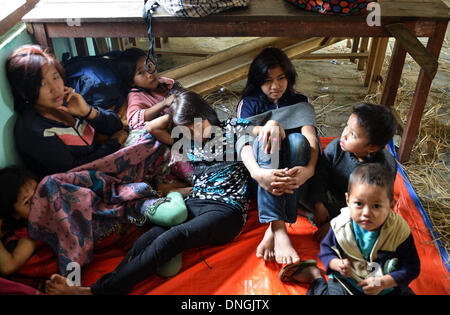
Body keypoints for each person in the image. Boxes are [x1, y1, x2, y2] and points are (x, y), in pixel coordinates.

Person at [44, 90, 283, 295]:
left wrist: (272, 125)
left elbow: (271, 131)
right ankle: (100, 288)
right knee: (147, 238)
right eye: (186, 129)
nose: (195, 133)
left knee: (174, 238)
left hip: (227, 210)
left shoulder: (230, 128)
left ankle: (96, 292)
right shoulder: (186, 140)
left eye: (197, 124)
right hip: (196, 202)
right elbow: (151, 127)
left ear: (206, 113)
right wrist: (174, 106)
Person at [279, 163, 420, 295]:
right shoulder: (341, 226)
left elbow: (412, 266)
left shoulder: (398, 231)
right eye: (359, 203)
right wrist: (336, 264)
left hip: (384, 284)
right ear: (348, 201)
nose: (366, 213)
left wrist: (384, 282)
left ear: (391, 206)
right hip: (349, 281)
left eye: (376, 206)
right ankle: (315, 276)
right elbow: (326, 250)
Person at [237, 47, 319, 264]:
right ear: (257, 81)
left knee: (298, 141)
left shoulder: (300, 100)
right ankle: (280, 230)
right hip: (264, 175)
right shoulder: (249, 103)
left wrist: (309, 170)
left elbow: (311, 139)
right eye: (267, 80)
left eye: (281, 78)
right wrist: (256, 173)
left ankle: (273, 230)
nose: (275, 86)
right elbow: (241, 141)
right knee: (270, 136)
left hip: (296, 175)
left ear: (289, 76)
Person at [5, 45, 128, 178]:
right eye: (42, 84)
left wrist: (87, 111)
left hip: (105, 162)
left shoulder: (67, 102)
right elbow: (74, 169)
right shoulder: (33, 130)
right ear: (23, 92)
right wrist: (114, 143)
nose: (55, 88)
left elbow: (117, 125)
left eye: (55, 77)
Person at [311, 103, 397, 241]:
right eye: (346, 126)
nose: (343, 135)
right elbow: (320, 175)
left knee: (376, 222)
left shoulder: (382, 168)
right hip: (331, 196)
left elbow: (370, 205)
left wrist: (336, 224)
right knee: (300, 183)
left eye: (352, 134)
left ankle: (341, 226)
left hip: (356, 207)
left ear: (372, 147)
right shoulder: (336, 148)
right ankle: (316, 212)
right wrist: (318, 203)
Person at [117, 47, 182, 132]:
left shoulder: (164, 82)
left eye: (149, 66)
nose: (149, 74)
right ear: (131, 82)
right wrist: (164, 104)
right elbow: (133, 120)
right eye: (140, 72)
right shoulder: (136, 95)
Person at [0, 166, 39, 276]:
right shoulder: (30, 235)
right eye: (27, 202)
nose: (37, 201)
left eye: (38, 192)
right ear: (15, 214)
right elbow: (8, 267)